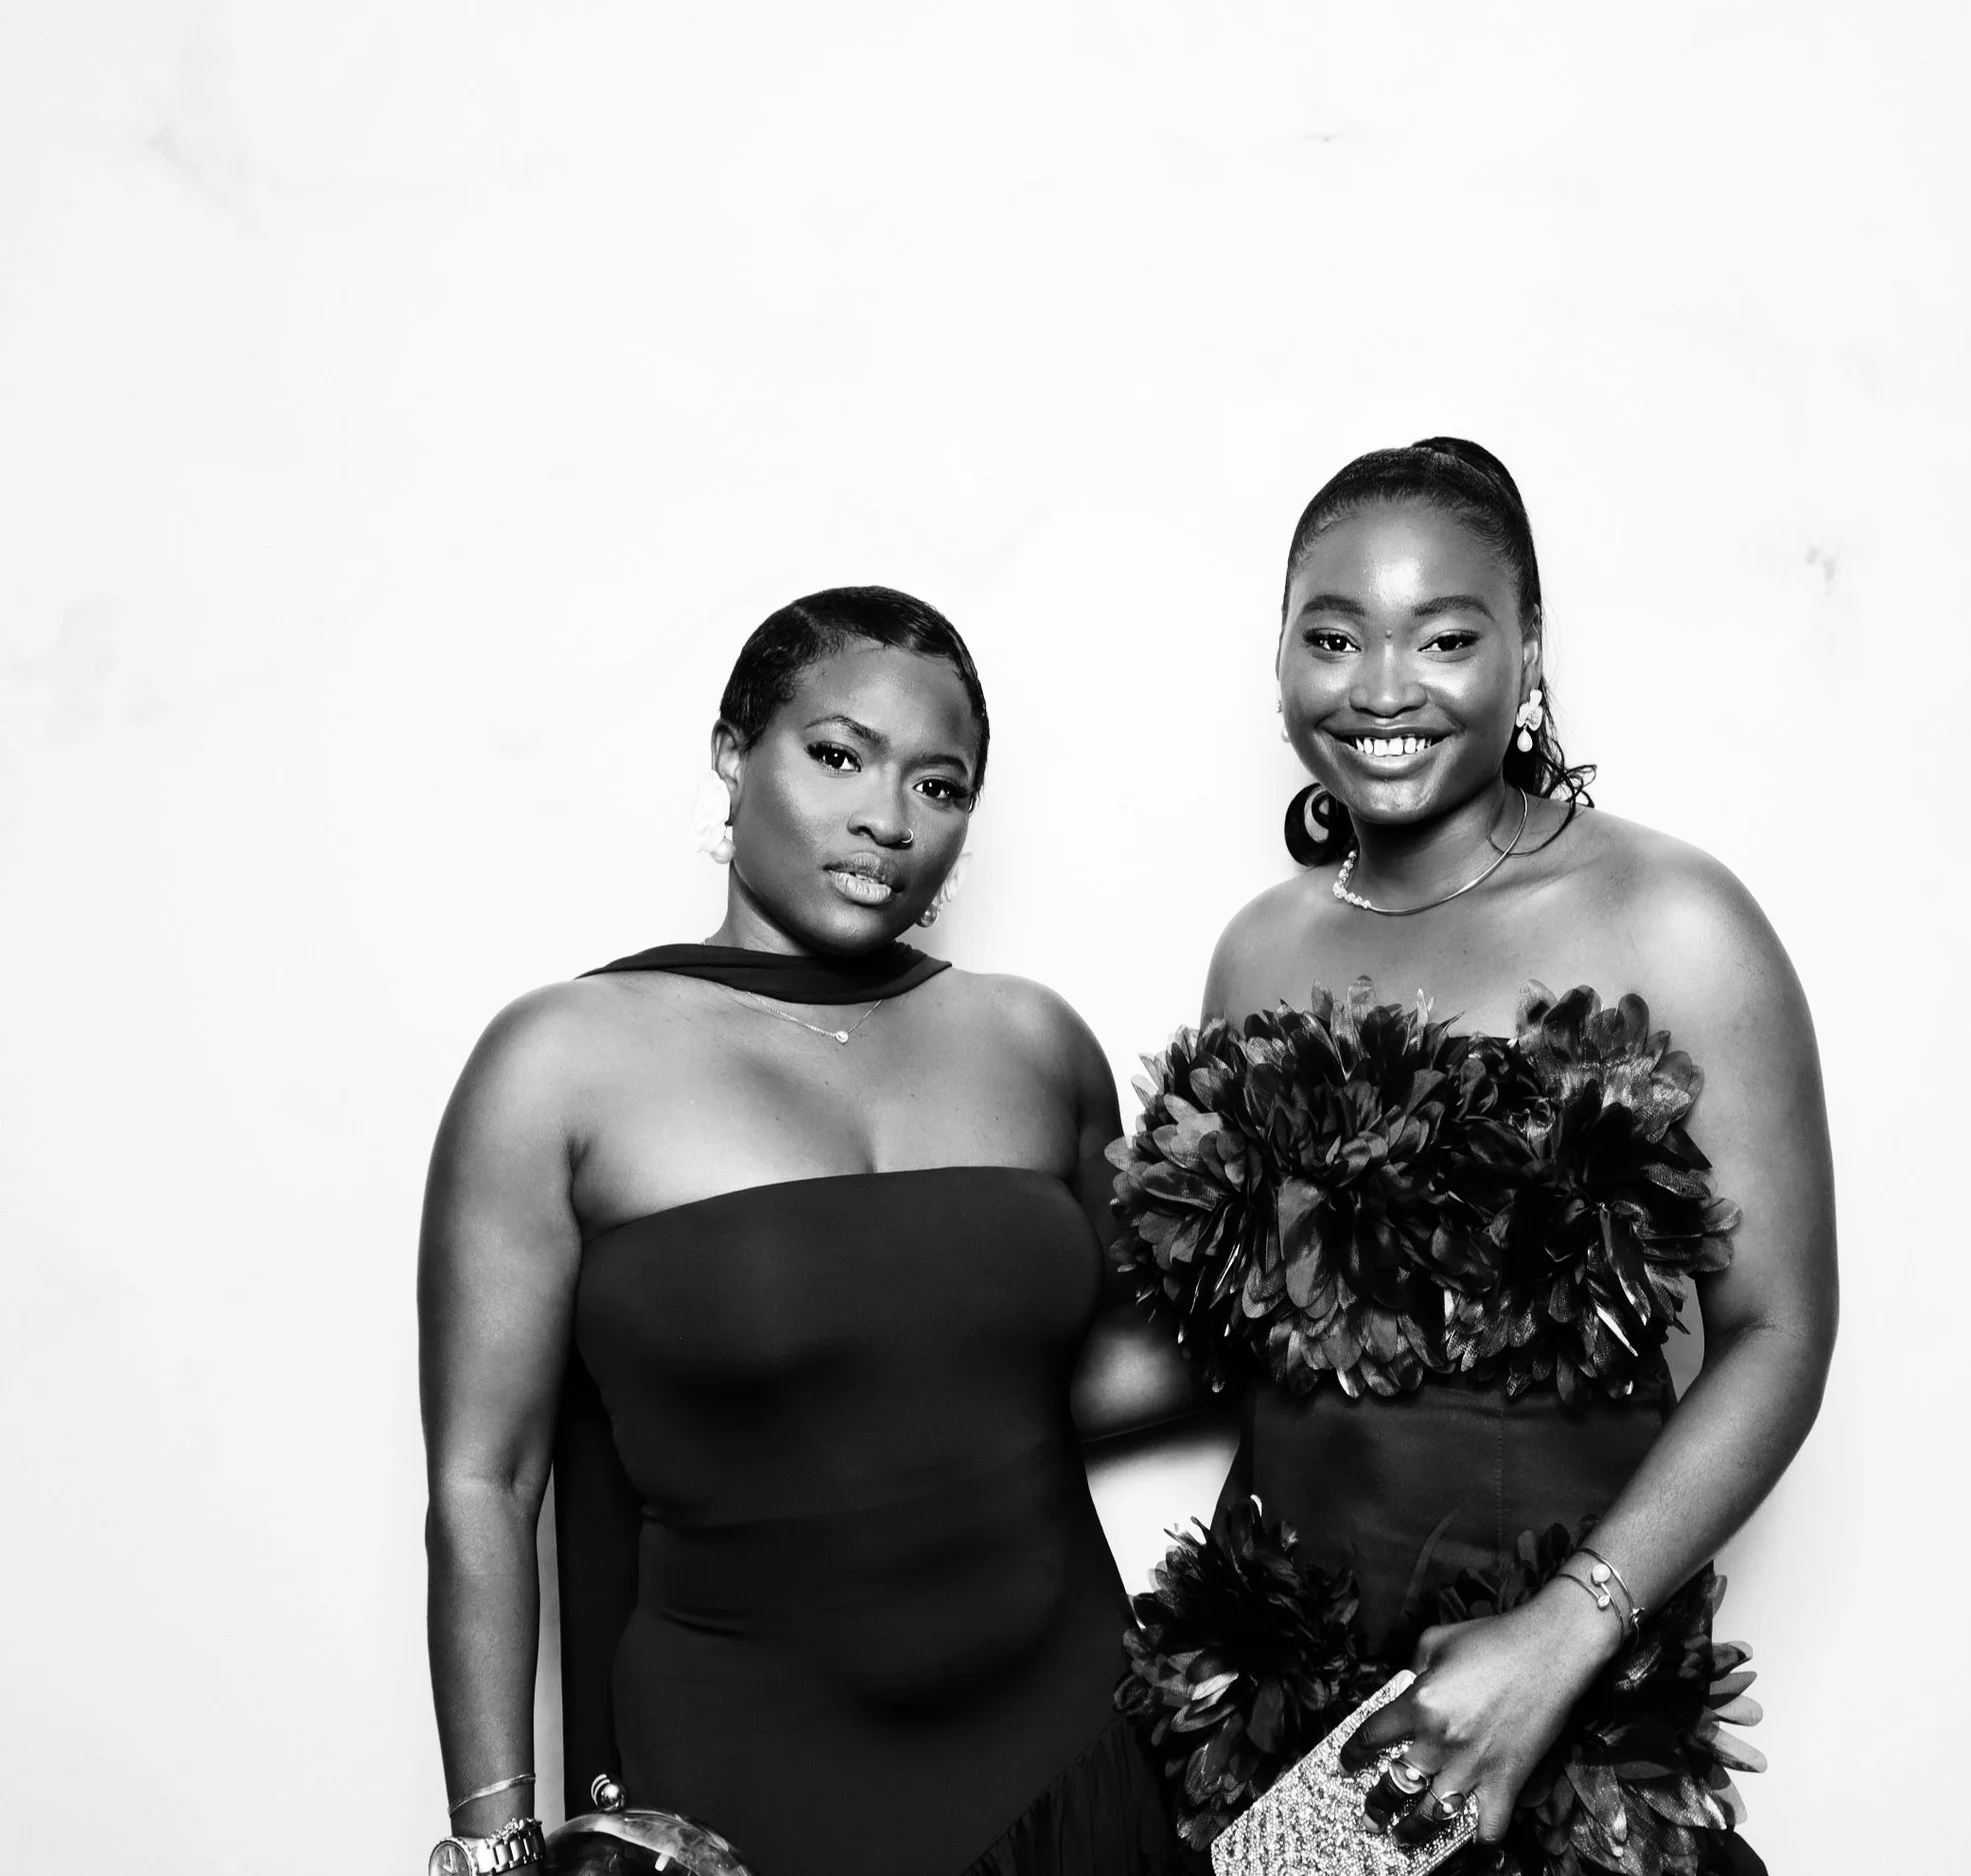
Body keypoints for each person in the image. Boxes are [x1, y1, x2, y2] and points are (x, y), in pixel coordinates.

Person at [1111, 442, 1837, 1874]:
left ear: (1531, 656)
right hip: (1287, 1746)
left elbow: (1780, 1334)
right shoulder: (1260, 950)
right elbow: (1234, 1349)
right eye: (1334, 637)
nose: (1383, 689)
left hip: (1560, 1710)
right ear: (1281, 656)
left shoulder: (1677, 922)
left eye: (1445, 638)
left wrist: (1563, 1636)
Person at [419, 587, 1192, 1876]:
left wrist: (1351, 1291)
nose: (887, 822)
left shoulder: (1033, 1041)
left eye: (940, 788)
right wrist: (496, 1851)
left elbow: (1074, 1377)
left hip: (1078, 1753)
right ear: (733, 756)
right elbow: (482, 1486)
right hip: (746, 1807)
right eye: (838, 756)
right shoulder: (557, 1064)